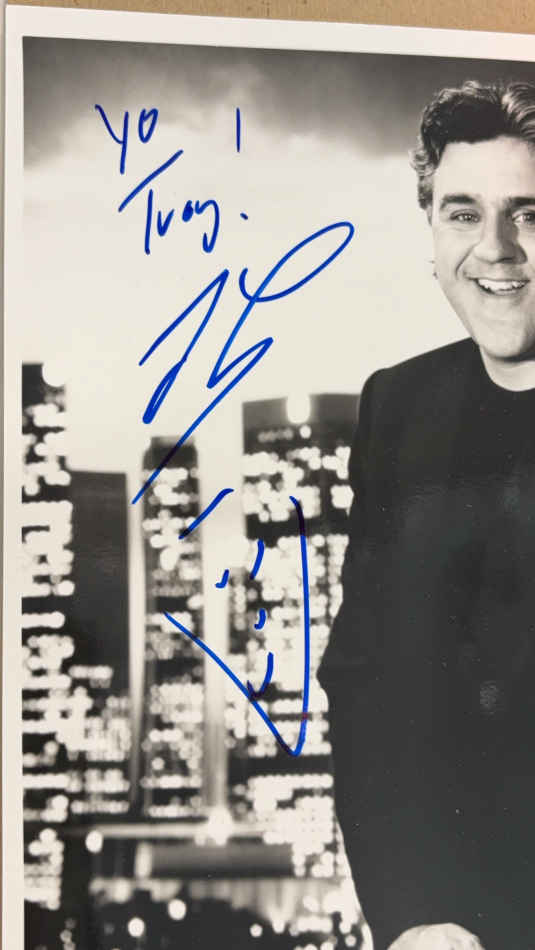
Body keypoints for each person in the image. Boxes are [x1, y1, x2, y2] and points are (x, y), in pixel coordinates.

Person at [318, 79, 535, 950]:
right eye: (462, 214)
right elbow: (364, 681)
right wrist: (413, 917)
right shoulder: (398, 406)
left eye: (529, 213)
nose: (495, 249)